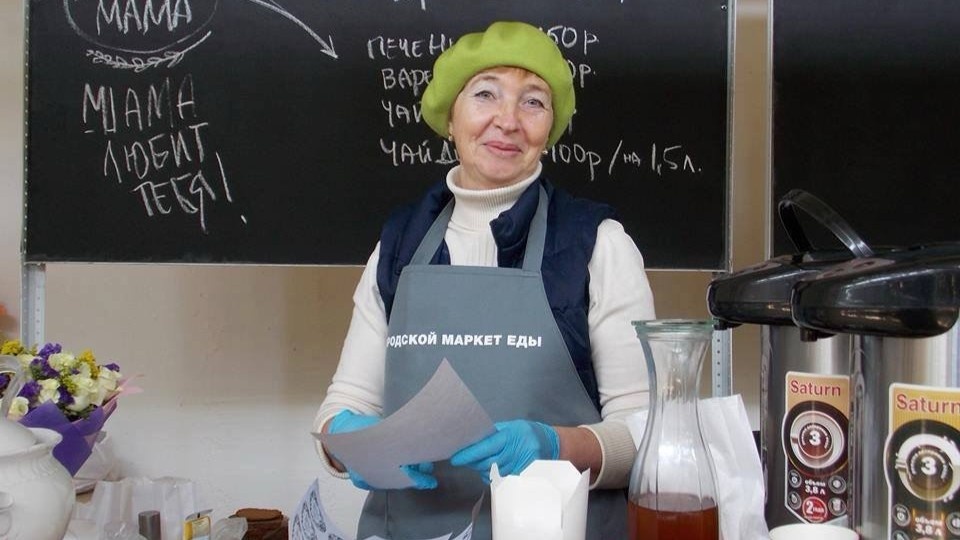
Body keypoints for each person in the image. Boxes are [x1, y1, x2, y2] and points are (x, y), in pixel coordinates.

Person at [314, 20, 655, 540]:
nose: (508, 120)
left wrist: (555, 446)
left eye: (533, 102)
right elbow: (345, 404)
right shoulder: (399, 244)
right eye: (485, 94)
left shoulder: (598, 245)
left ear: (550, 128)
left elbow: (645, 433)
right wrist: (346, 440)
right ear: (450, 118)